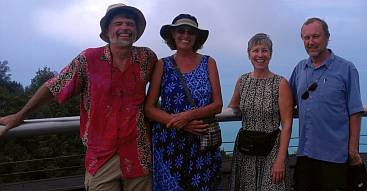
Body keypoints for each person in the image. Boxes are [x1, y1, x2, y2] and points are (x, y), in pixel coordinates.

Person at [0, 3, 157, 191]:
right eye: (118, 23)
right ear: (107, 30)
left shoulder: (147, 58)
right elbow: (54, 87)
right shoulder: (89, 59)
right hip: (101, 158)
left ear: (136, 30)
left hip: (138, 155)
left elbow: (165, 88)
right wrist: (20, 115)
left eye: (130, 23)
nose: (124, 28)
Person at [144, 14, 223, 190]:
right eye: (181, 31)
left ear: (196, 37)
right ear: (173, 34)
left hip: (202, 146)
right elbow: (149, 108)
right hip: (170, 144)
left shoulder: (208, 62)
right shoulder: (162, 65)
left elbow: (217, 104)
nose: (185, 35)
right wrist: (182, 124)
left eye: (191, 32)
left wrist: (188, 116)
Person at [289, 17, 364, 190]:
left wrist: (352, 150)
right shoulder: (300, 68)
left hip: (335, 157)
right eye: (306, 38)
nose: (310, 42)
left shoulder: (346, 68)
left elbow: (355, 111)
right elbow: (287, 101)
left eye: (315, 36)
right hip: (305, 155)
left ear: (327, 37)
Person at [228, 33, 293, 190]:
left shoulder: (280, 83)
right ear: (249, 53)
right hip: (246, 150)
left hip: (272, 150)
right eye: (255, 50)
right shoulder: (242, 81)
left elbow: (287, 123)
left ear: (270, 54)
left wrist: (280, 159)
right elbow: (232, 106)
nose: (260, 55)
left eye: (264, 50)